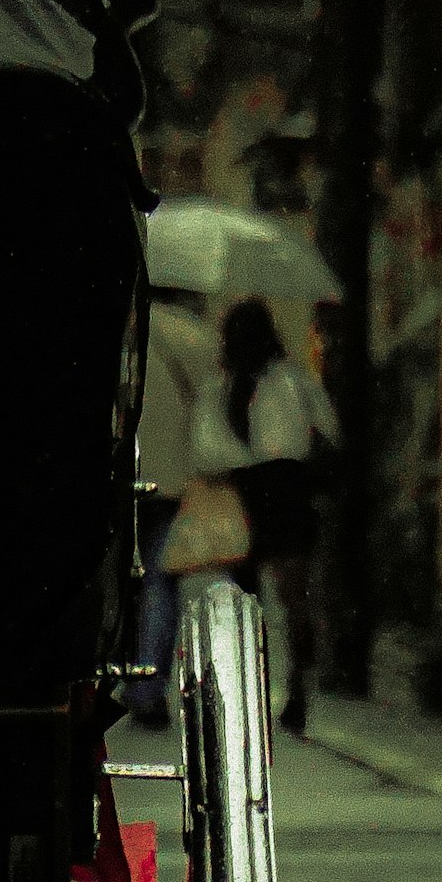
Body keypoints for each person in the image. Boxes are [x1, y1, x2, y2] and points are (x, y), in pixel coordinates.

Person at [189, 296, 328, 734]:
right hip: (289, 488)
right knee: (294, 596)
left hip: (242, 492)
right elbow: (326, 429)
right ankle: (297, 685)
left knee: (246, 600)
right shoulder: (293, 382)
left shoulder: (220, 387)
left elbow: (205, 448)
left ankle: (253, 684)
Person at [128, 282, 223, 727]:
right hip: (168, 475)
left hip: (119, 470)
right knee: (159, 580)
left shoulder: (120, 322)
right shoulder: (193, 336)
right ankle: (148, 687)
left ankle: (118, 674)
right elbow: (210, 403)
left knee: (121, 578)